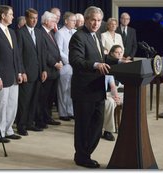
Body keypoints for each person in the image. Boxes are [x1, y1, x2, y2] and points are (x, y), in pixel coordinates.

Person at [69, 6, 119, 168]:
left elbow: (101, 56)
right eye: (93, 20)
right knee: (84, 126)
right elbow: (76, 61)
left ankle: (87, 153)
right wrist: (97, 65)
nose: (96, 23)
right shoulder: (78, 37)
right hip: (84, 91)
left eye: (99, 20)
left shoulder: (95, 35)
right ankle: (82, 157)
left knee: (97, 126)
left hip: (98, 89)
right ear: (87, 19)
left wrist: (118, 61)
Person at [0, 5, 23, 143]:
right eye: (11, 14)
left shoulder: (12, 32)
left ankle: (8, 130)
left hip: (13, 76)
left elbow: (16, 55)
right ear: (3, 16)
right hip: (1, 77)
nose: (13, 16)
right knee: (0, 105)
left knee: (12, 105)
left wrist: (19, 72)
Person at [15, 8, 47, 136]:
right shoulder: (20, 32)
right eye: (32, 18)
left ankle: (30, 123)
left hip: (38, 72)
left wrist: (44, 69)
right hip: (26, 73)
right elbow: (18, 55)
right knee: (24, 101)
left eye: (36, 18)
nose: (34, 20)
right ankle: (21, 125)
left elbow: (42, 53)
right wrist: (22, 71)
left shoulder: (39, 33)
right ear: (27, 18)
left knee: (34, 100)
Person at [36, 11, 62, 127]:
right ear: (46, 21)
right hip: (47, 69)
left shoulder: (51, 33)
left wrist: (60, 60)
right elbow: (44, 52)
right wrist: (55, 63)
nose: (55, 23)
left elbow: (56, 50)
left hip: (55, 71)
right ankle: (40, 119)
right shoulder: (41, 32)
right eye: (53, 20)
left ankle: (48, 117)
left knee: (50, 97)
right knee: (43, 97)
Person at [55, 12, 76, 121]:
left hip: (75, 65)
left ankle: (71, 111)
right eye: (73, 20)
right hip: (66, 65)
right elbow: (58, 50)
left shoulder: (75, 32)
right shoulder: (60, 33)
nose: (74, 22)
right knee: (63, 90)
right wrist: (69, 60)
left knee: (71, 90)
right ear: (66, 21)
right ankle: (63, 113)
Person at [102, 75, 121, 141]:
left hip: (105, 94)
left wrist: (116, 96)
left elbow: (113, 86)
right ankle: (104, 129)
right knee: (110, 102)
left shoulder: (108, 73)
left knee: (112, 101)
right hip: (93, 94)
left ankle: (107, 130)